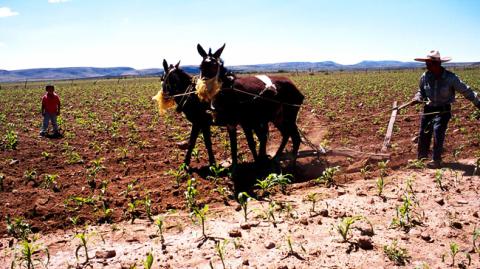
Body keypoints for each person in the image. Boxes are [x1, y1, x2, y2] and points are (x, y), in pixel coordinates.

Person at [412, 50, 480, 168]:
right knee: (424, 133)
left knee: (438, 131)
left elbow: (466, 90)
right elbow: (421, 91)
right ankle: (421, 159)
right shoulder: (425, 76)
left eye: (429, 63)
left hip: (443, 110)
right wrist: (417, 97)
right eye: (426, 63)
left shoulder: (450, 78)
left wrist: (478, 103)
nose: (426, 65)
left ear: (437, 64)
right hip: (428, 109)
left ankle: (436, 160)